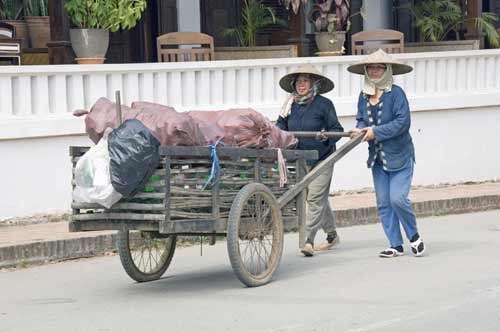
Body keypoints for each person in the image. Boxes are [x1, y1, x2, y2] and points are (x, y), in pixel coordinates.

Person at [348, 49, 426, 258]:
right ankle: (395, 244)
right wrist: (359, 129)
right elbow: (362, 119)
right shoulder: (364, 95)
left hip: (400, 155)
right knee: (383, 203)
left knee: (398, 199)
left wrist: (375, 132)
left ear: (387, 70)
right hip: (377, 158)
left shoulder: (396, 93)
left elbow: (403, 123)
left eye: (378, 67)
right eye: (370, 67)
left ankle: (414, 236)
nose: (374, 71)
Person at [276, 64, 344, 257]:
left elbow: (337, 130)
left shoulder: (324, 104)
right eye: (298, 81)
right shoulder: (289, 105)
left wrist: (326, 136)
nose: (301, 85)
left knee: (314, 198)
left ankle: (308, 240)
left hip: (323, 157)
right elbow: (279, 127)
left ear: (314, 83)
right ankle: (332, 236)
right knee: (315, 197)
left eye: (305, 80)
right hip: (300, 159)